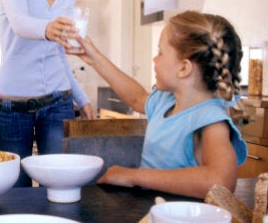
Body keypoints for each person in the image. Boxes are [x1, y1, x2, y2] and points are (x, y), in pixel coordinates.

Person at [70, 11, 247, 198]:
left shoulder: (210, 118)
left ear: (184, 68)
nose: (154, 60)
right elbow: (137, 98)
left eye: (160, 52)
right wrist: (94, 58)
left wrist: (134, 176)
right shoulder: (166, 101)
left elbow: (220, 182)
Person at [0, 0, 96, 187]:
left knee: (57, 184)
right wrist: (48, 29)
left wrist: (82, 98)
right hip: (13, 106)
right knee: (16, 188)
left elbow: (59, 54)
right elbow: (21, 24)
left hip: (57, 102)